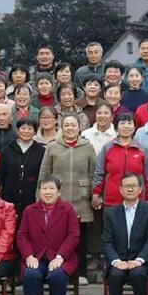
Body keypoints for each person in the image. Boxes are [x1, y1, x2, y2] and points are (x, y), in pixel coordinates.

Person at [17, 176, 81, 295]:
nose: (47, 192)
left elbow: (73, 235)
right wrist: (29, 256)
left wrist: (60, 256)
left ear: (58, 192)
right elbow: (22, 235)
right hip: (37, 256)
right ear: (39, 191)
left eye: (51, 188)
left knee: (57, 275)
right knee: (31, 274)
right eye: (44, 188)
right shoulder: (30, 210)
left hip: (61, 257)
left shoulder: (67, 209)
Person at [40, 114, 97, 284]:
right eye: (67, 125)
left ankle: (80, 273)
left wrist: (93, 194)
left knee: (80, 239)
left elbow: (93, 173)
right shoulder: (52, 147)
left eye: (73, 125)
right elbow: (44, 174)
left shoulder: (88, 147)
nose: (70, 128)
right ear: (61, 127)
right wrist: (40, 198)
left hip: (81, 199)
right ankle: (57, 272)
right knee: (57, 238)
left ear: (79, 127)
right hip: (58, 200)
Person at [103, 173, 148, 295]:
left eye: (133, 186)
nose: (130, 189)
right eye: (126, 186)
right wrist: (116, 261)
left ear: (140, 189)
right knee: (115, 275)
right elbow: (107, 242)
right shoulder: (111, 213)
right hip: (118, 260)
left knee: (138, 274)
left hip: (140, 260)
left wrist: (139, 260)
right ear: (120, 189)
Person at [0, 118, 46, 222]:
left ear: (35, 131)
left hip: (32, 198)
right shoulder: (7, 150)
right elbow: (0, 174)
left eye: (30, 128)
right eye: (23, 128)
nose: (26, 131)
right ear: (17, 130)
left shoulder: (41, 151)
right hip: (9, 198)